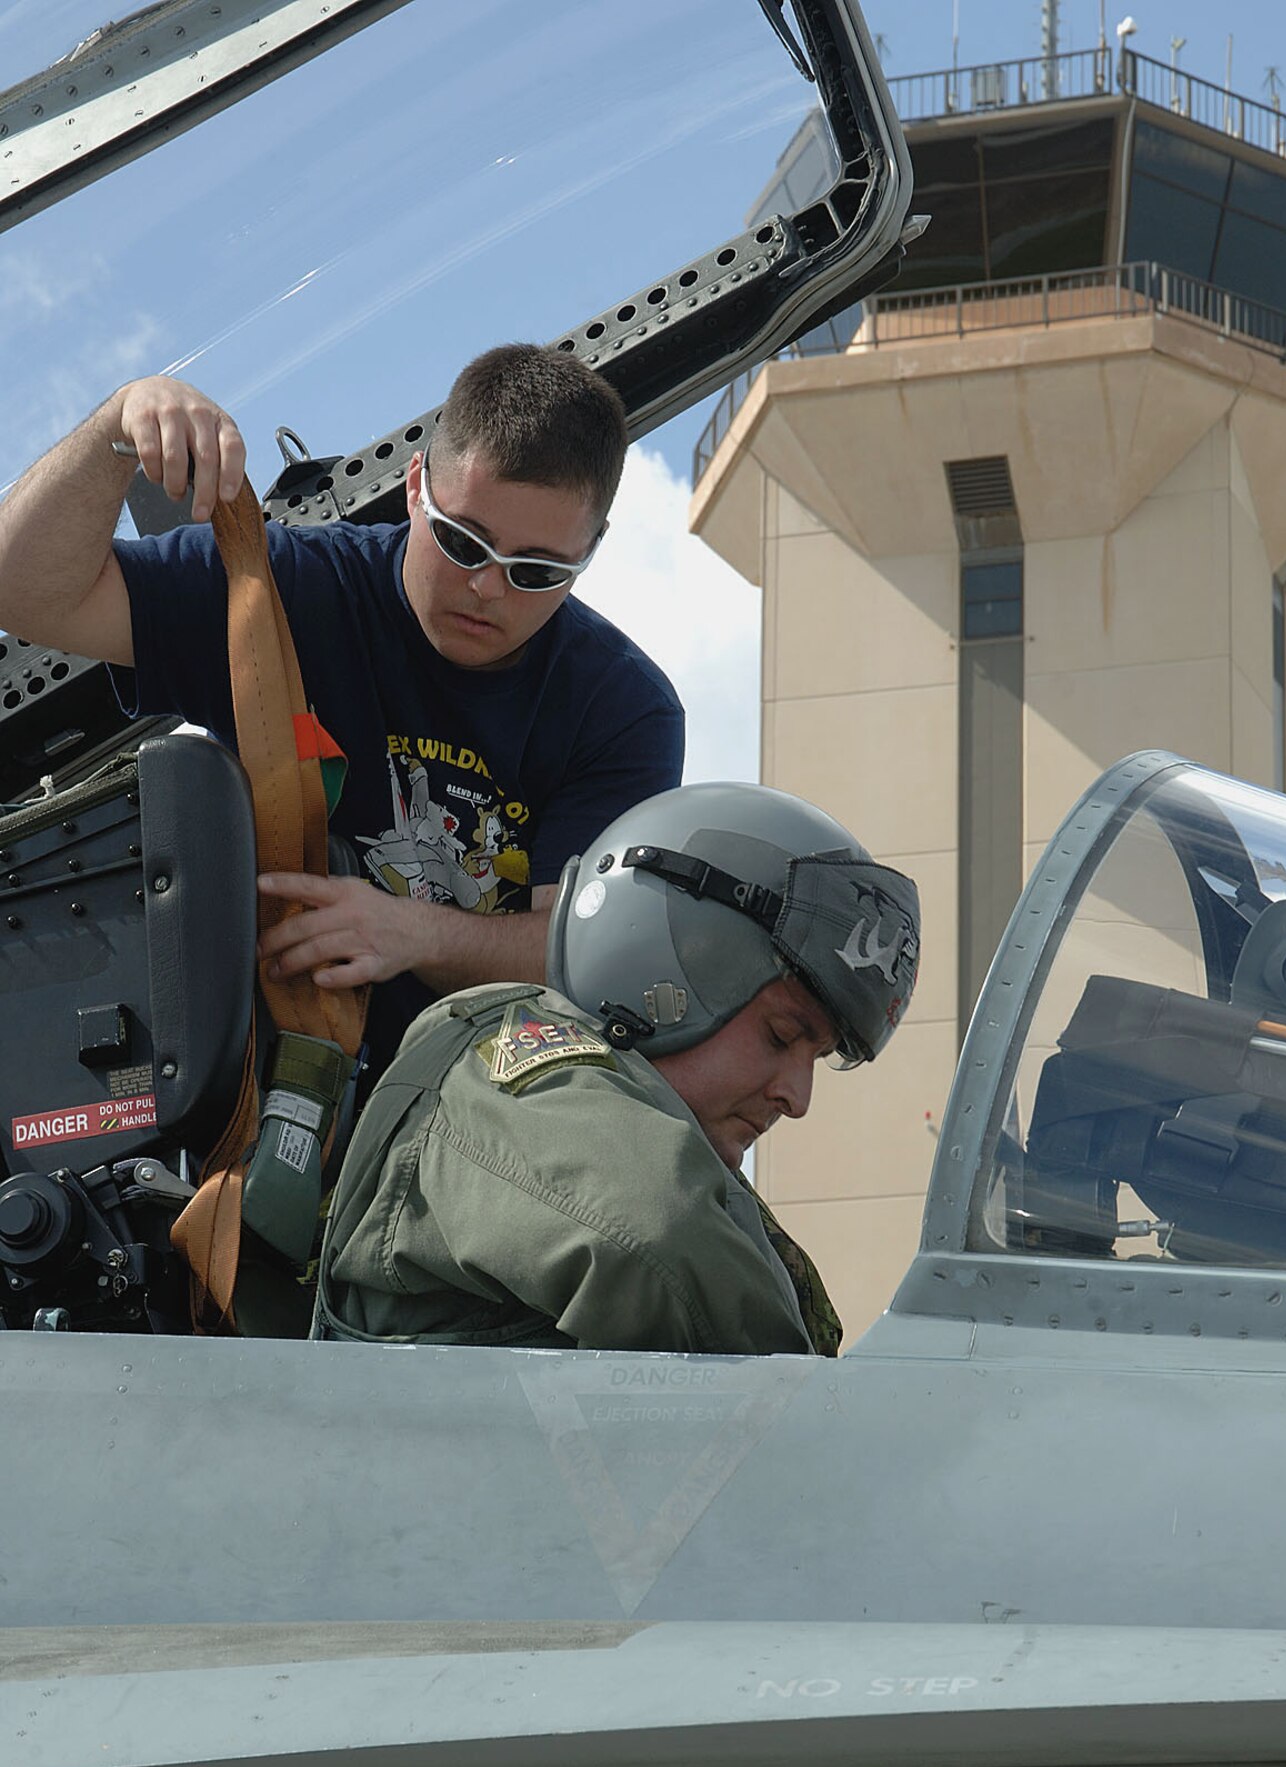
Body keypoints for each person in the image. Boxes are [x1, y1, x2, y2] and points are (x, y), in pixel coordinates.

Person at [0, 345, 684, 1081]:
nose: (488, 587)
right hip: (246, 1089)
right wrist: (119, 425)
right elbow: (24, 591)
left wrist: (413, 933)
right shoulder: (284, 592)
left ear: (593, 548)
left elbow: (579, 961)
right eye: (463, 542)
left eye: (536, 570)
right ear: (417, 485)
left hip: (474, 1118)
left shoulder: (621, 709)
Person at [315, 781, 920, 1355]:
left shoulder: (663, 1153)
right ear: (667, 969)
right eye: (781, 1035)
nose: (798, 1097)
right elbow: (658, 1240)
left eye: (816, 1059)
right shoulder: (508, 1068)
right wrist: (811, 1424)